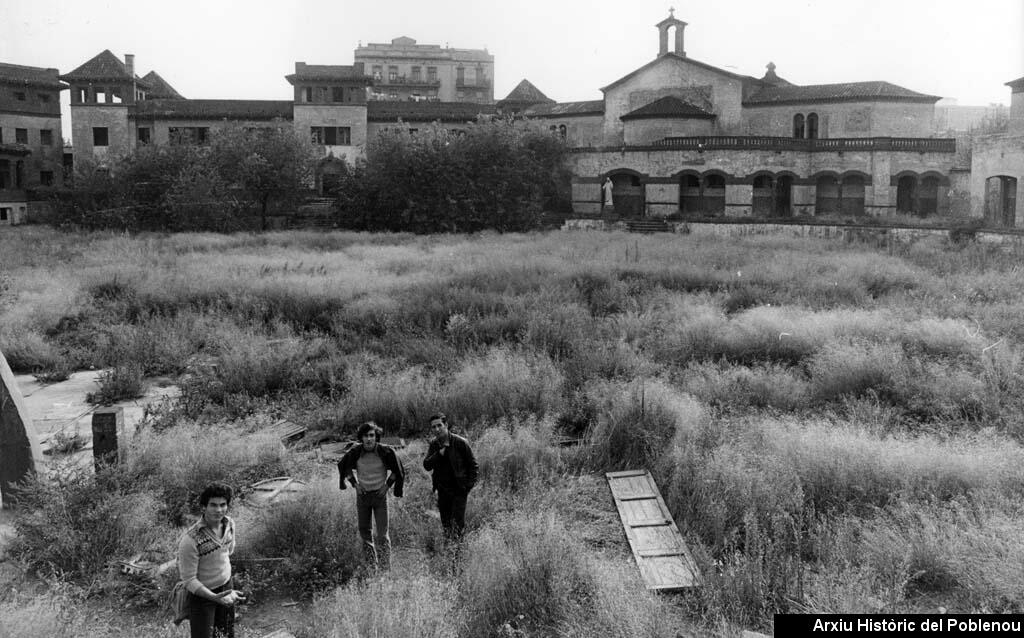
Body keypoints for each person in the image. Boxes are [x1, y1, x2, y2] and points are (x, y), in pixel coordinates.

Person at [177, 482, 244, 638]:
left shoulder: (230, 525)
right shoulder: (191, 539)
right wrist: (213, 597)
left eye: (223, 504)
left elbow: (228, 551)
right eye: (213, 505)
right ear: (204, 507)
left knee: (226, 633)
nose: (219, 510)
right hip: (202, 597)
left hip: (227, 587)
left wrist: (226, 585)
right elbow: (189, 580)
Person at [337, 421, 405, 569]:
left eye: (372, 435)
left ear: (376, 437)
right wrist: (355, 484)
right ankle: (371, 567)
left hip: (380, 497)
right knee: (365, 534)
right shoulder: (356, 452)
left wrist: (387, 486)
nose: (369, 439)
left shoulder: (385, 452)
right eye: (365, 436)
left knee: (382, 535)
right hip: (363, 497)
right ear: (361, 438)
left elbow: (397, 470)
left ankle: (385, 569)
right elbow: (345, 467)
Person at [422, 412, 478, 541]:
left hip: (459, 490)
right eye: (433, 427)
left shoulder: (460, 443)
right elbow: (427, 465)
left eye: (439, 425)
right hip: (442, 491)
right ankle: (450, 554)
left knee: (457, 525)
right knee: (446, 525)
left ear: (446, 425)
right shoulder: (434, 444)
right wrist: (439, 454)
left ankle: (459, 555)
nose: (437, 429)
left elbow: (473, 465)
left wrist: (467, 487)